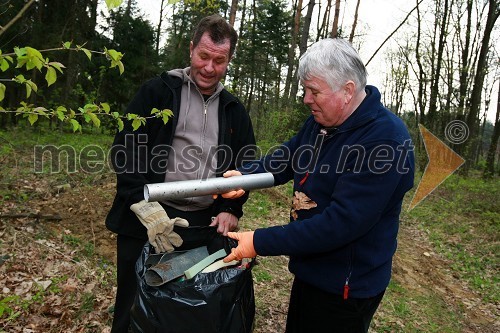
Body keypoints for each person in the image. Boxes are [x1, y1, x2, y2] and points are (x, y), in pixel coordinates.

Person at [219, 38, 415, 333]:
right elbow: (289, 157)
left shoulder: (385, 141)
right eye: (305, 89)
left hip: (345, 288)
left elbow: (340, 224)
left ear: (347, 91)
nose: (306, 99)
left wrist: (258, 241)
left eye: (314, 91)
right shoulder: (323, 121)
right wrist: (246, 177)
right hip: (312, 269)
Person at [105, 14, 256, 333]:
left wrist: (231, 208)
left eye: (219, 60)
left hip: (202, 227)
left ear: (229, 61)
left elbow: (245, 166)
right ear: (191, 50)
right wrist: (142, 205)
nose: (210, 67)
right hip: (146, 223)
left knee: (186, 313)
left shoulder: (234, 111)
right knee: (133, 308)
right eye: (204, 56)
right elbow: (124, 149)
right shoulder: (158, 93)